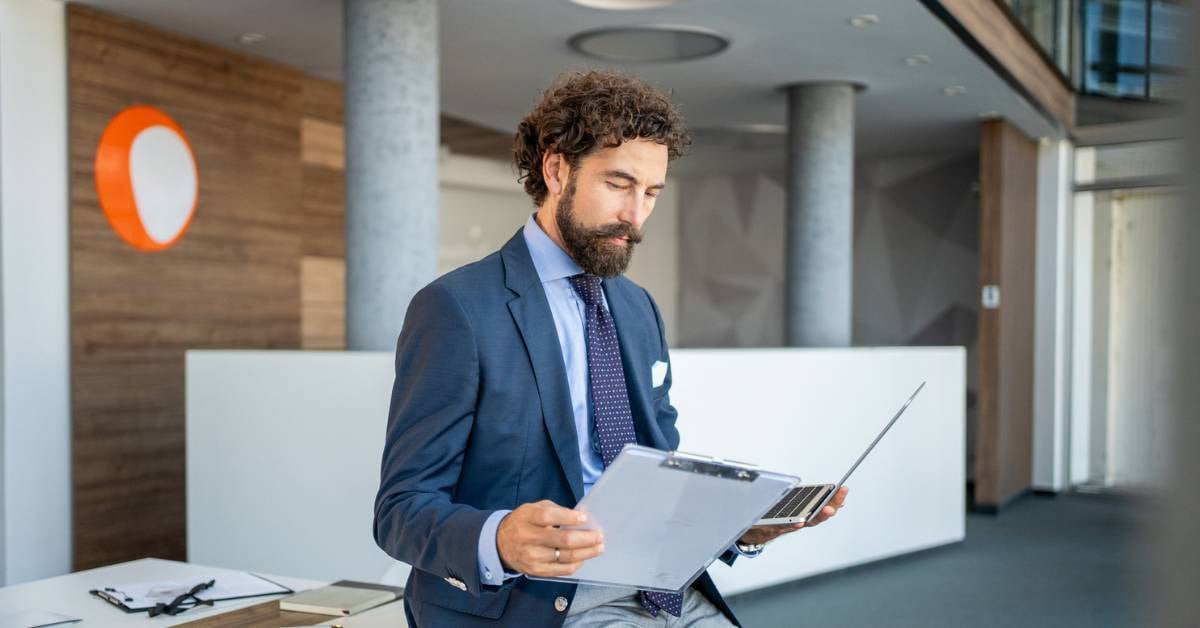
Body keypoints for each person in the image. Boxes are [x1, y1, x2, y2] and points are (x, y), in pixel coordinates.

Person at [374, 69, 848, 627]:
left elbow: (661, 468)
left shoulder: (637, 307)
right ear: (556, 169)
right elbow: (400, 510)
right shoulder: (457, 308)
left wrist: (733, 524)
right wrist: (498, 537)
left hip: (662, 585)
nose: (636, 215)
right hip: (537, 600)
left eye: (651, 193)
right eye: (619, 184)